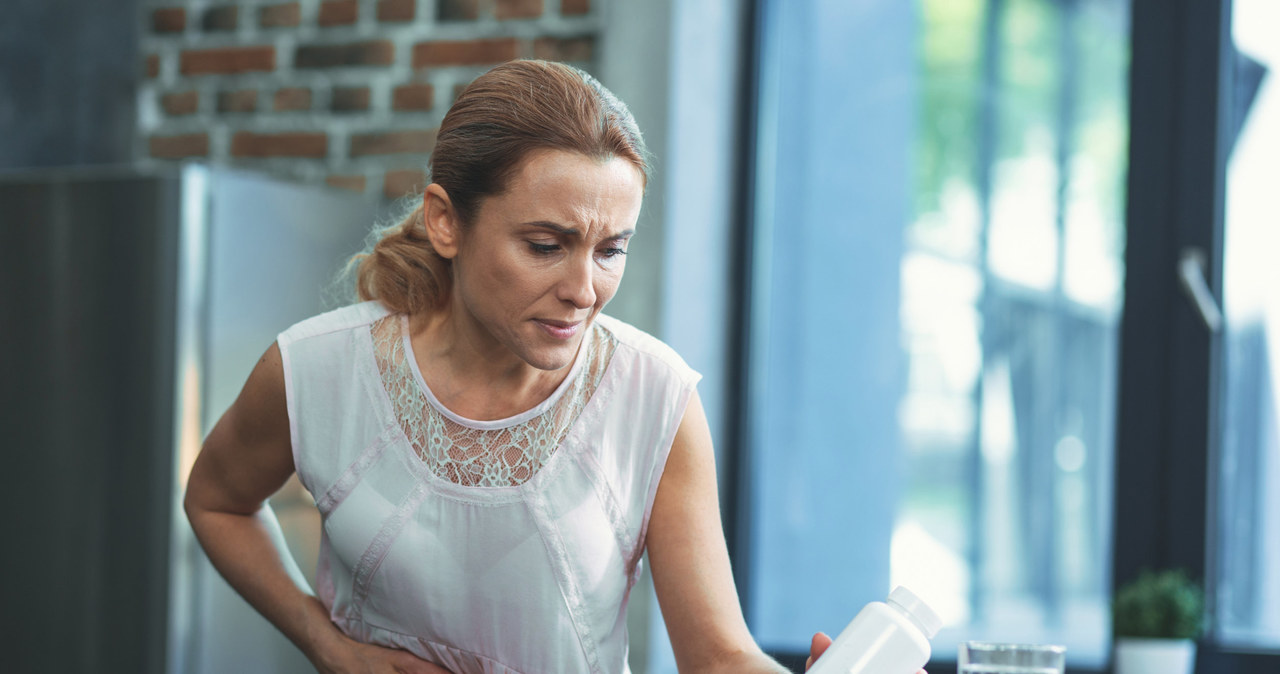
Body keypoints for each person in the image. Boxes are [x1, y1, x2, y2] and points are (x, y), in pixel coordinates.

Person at [184, 59, 921, 674]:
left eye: (611, 250)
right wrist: (326, 644)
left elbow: (718, 657)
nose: (584, 290)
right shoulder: (314, 368)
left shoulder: (653, 396)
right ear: (446, 221)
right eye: (545, 244)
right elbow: (216, 501)